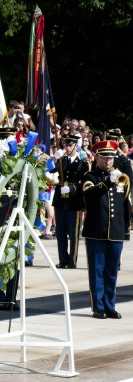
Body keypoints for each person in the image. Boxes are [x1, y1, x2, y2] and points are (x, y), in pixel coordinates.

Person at [81, 140, 130, 319]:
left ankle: (110, 306)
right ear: (97, 157)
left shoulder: (121, 177)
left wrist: (125, 230)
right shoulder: (89, 177)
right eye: (105, 157)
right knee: (97, 272)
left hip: (115, 232)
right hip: (96, 232)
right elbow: (89, 196)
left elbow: (126, 206)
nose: (109, 161)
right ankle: (98, 307)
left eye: (111, 157)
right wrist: (107, 183)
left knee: (111, 272)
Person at [51, 133, 89, 269]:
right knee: (60, 232)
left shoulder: (82, 164)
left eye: (70, 144)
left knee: (73, 233)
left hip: (74, 201)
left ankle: (72, 261)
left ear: (76, 146)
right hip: (60, 200)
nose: (67, 147)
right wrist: (54, 159)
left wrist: (72, 189)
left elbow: (83, 183)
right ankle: (63, 259)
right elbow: (50, 169)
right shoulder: (62, 161)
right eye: (66, 144)